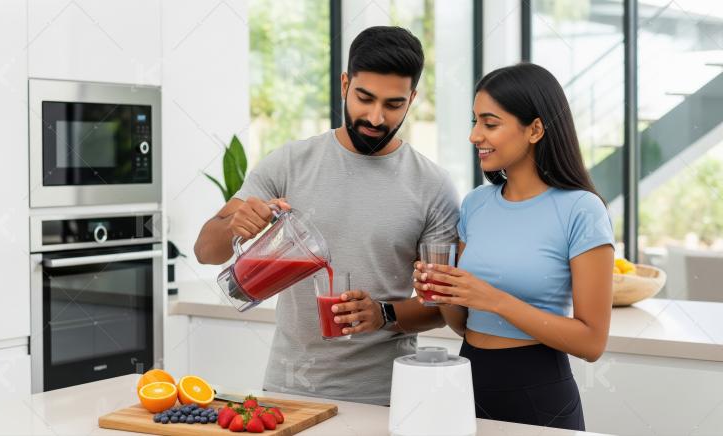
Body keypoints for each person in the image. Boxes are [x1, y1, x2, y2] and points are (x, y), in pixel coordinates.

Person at [194, 26, 459, 405]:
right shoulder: (290, 163)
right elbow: (206, 251)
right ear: (344, 84)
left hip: (386, 398)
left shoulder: (432, 186)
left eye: (393, 104)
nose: (375, 116)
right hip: (288, 393)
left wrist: (383, 313)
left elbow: (444, 307)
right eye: (364, 97)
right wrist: (235, 225)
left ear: (412, 98)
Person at [413, 63, 614, 430]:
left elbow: (592, 341)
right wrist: (443, 294)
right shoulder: (475, 204)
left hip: (538, 394)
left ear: (535, 129)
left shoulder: (582, 209)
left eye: (490, 124)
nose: (475, 136)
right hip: (467, 383)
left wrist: (492, 298)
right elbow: (463, 325)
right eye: (474, 122)